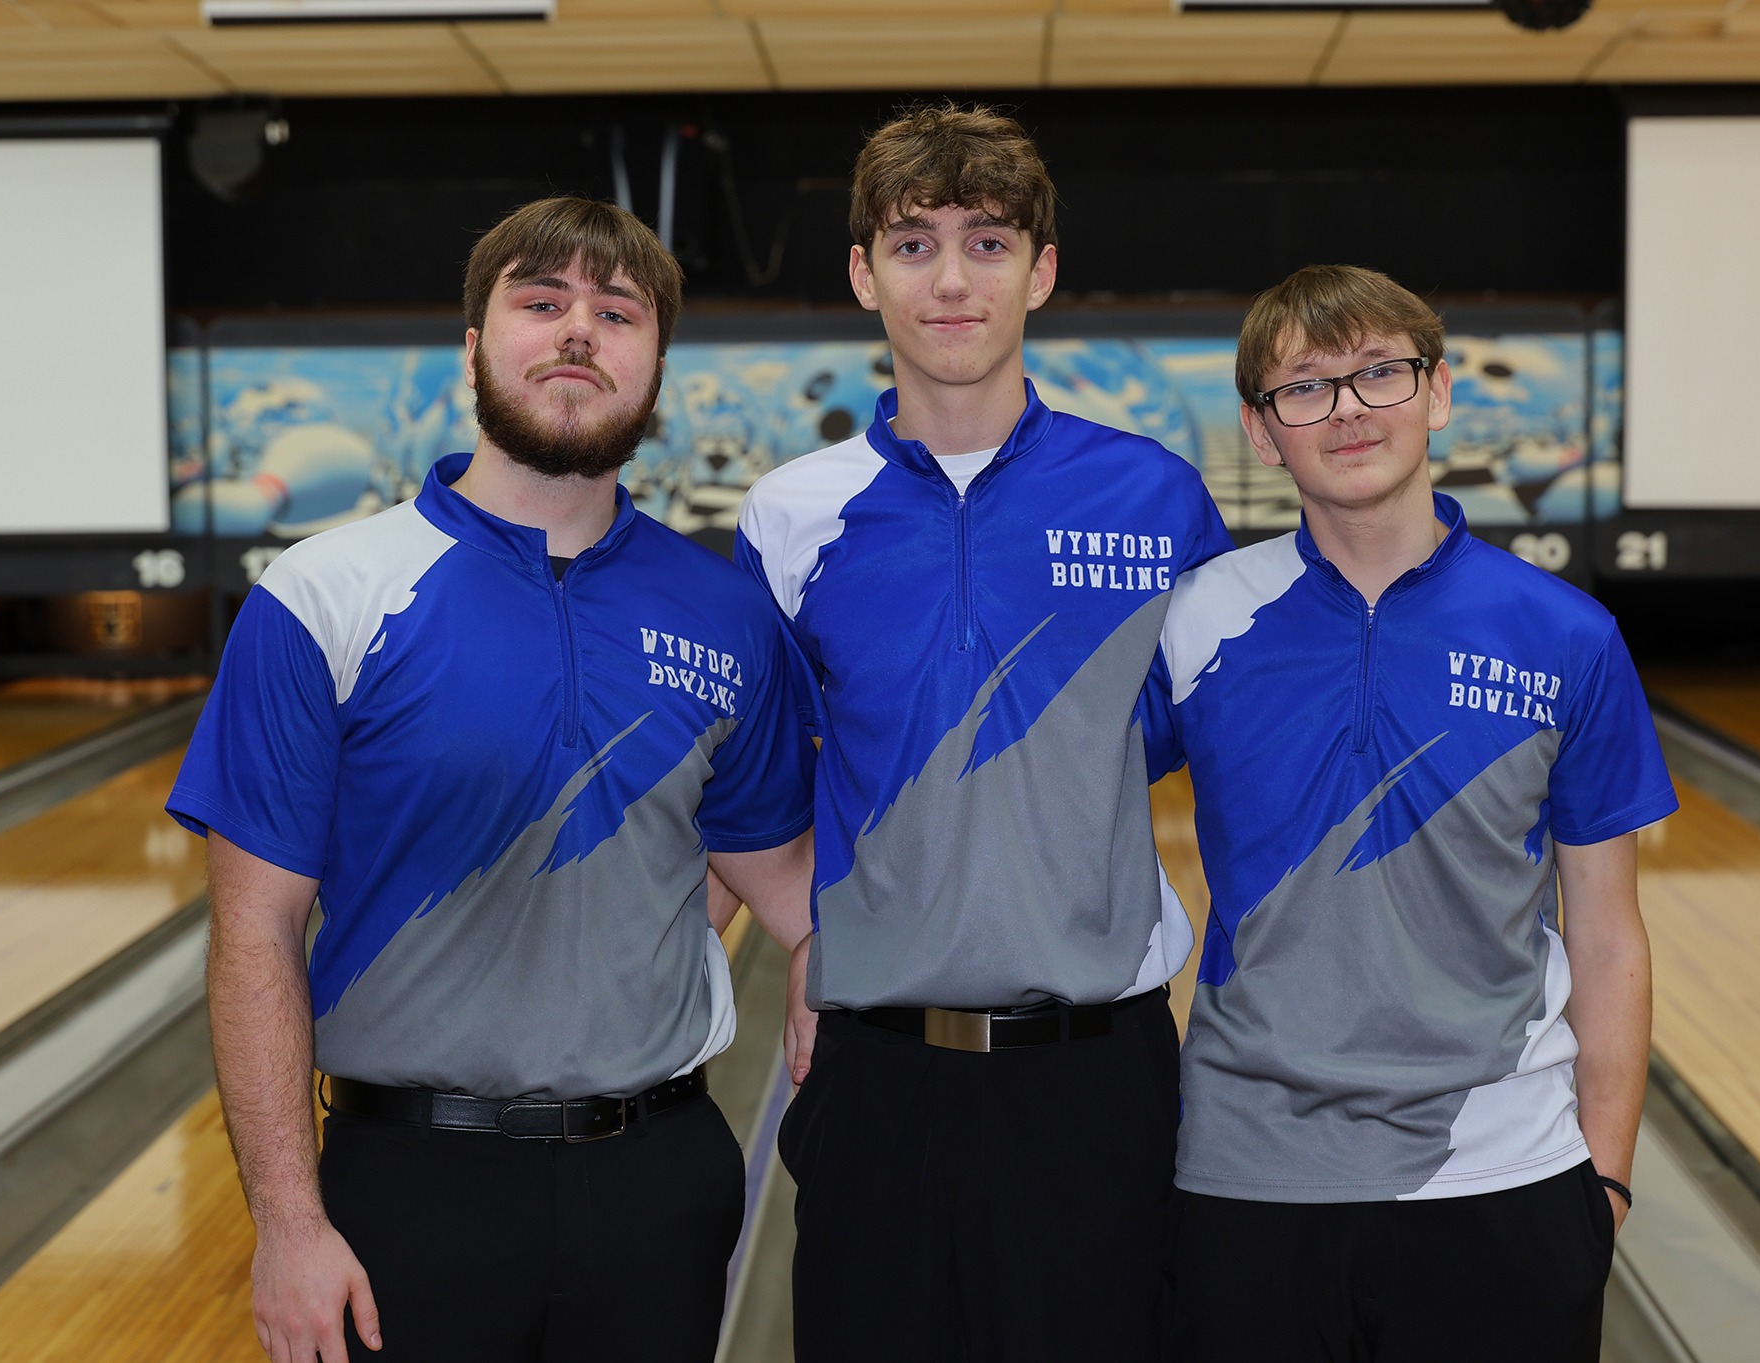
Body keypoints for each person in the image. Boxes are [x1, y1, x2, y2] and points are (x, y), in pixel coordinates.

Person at [166, 196, 817, 1363]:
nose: (577, 332)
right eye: (541, 301)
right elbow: (255, 931)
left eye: (616, 313)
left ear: (654, 365)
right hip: (407, 1184)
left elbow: (776, 873)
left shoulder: (727, 616)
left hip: (658, 1179)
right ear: (474, 346)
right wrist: (288, 1223)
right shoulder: (325, 596)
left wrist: (828, 956)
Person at [733, 104, 1232, 1363]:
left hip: (1097, 1072)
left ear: (1040, 270)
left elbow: (1196, 737)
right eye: (912, 245)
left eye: (988, 242)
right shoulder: (791, 515)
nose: (950, 279)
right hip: (874, 1070)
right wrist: (808, 935)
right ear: (863, 275)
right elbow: (750, 778)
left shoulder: (1155, 496)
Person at [1150, 264, 1676, 1362]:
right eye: (1306, 386)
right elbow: (1058, 814)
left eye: (1379, 372)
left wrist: (1607, 1177)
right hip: (1248, 1177)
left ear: (1436, 392)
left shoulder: (1565, 634)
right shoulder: (1193, 621)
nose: (1347, 409)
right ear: (1260, 431)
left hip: (1505, 1176)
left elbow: (1607, 931)